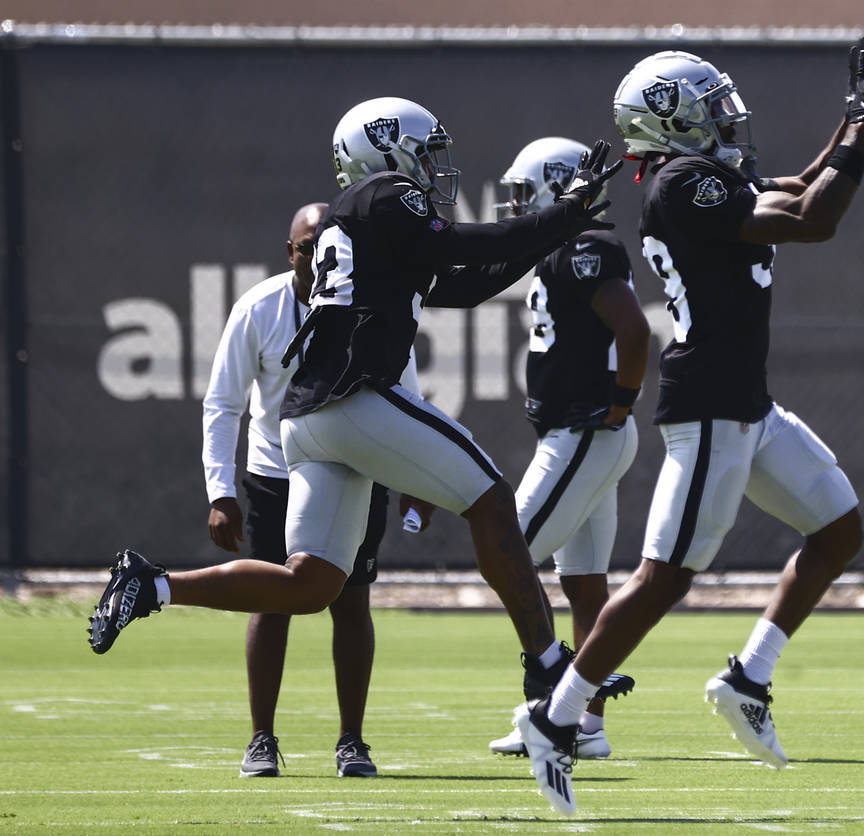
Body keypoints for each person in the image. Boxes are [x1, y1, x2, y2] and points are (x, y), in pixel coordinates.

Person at [89, 97, 625, 712]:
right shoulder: (384, 195)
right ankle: (548, 664)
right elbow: (467, 246)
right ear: (388, 151)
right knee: (492, 499)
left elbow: (470, 284)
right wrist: (564, 212)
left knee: (309, 583)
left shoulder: (369, 224)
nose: (432, 168)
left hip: (312, 418)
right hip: (356, 399)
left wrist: (557, 225)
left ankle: (152, 584)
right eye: (425, 153)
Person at [517, 42, 864, 815]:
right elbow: (812, 217)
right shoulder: (679, 181)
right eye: (710, 104)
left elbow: (798, 187)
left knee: (838, 530)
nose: (729, 115)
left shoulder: (707, 177)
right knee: (663, 577)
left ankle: (747, 678)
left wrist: (854, 120)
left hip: (749, 405)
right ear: (671, 119)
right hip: (709, 409)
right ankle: (556, 717)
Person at [202, 201, 430, 778]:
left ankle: (351, 741)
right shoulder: (259, 306)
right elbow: (224, 404)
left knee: (351, 601)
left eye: (330, 243)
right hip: (275, 473)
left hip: (355, 468)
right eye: (308, 246)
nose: (319, 254)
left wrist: (418, 473)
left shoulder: (369, 304)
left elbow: (406, 394)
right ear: (290, 251)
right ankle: (261, 739)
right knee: (270, 602)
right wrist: (220, 489)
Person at [486, 137, 650, 760]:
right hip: (582, 434)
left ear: (558, 186)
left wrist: (622, 400)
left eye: (524, 193)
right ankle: (586, 727)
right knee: (583, 584)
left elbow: (634, 330)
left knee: (509, 550)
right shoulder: (558, 248)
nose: (516, 206)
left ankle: (550, 700)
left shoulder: (586, 247)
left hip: (587, 431)